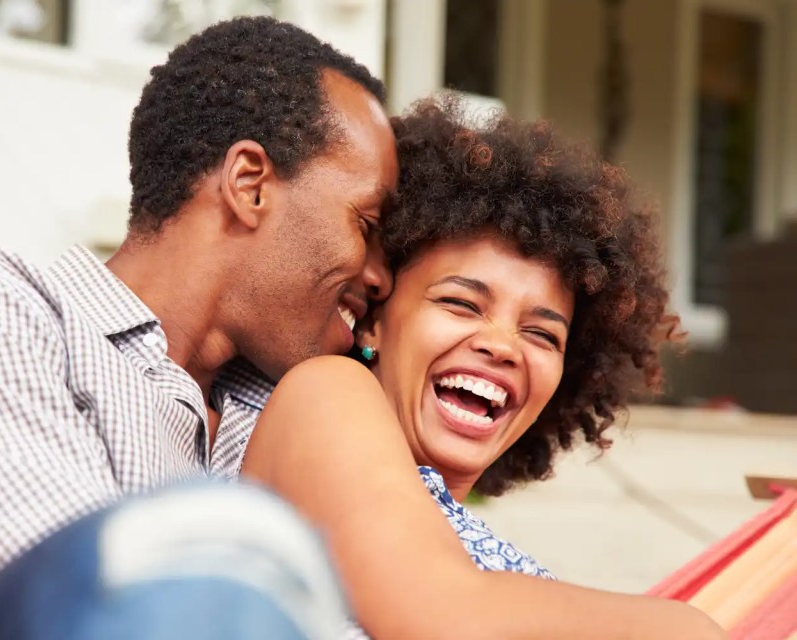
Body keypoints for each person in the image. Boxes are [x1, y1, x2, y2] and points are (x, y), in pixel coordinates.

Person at [0, 17, 397, 638]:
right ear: (249, 184)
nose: (380, 279)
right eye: (366, 227)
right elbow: (88, 616)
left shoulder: (278, 418)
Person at [241, 96, 728, 639]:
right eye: (461, 304)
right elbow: (446, 617)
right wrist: (688, 627)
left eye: (542, 334)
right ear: (375, 318)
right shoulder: (325, 394)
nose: (502, 346)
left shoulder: (469, 556)